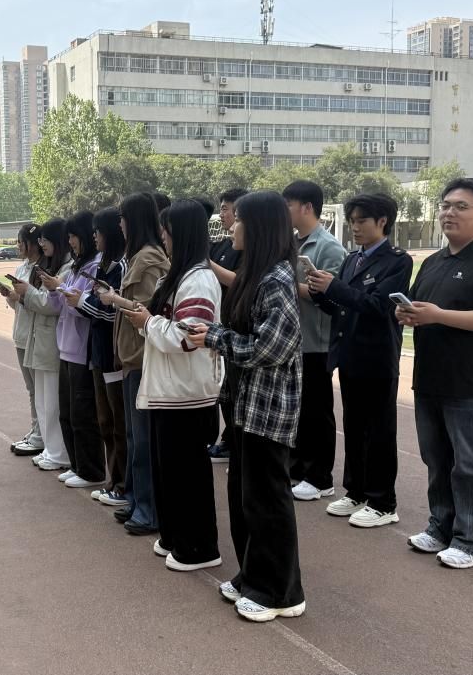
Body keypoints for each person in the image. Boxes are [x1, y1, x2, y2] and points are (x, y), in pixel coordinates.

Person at [188, 191, 306, 623]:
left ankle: (281, 593)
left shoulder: (276, 279)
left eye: (237, 220)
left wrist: (215, 337)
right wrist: (214, 331)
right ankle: (252, 575)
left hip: (267, 408)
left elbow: (272, 347)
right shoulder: (255, 275)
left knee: (268, 500)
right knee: (245, 497)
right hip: (244, 405)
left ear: (257, 228)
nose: (230, 226)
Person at [397, 177, 473, 569]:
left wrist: (438, 315)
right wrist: (408, 313)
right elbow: (422, 308)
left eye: (461, 206)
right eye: (446, 205)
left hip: (471, 383)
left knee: (471, 463)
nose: (450, 212)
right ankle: (442, 527)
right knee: (437, 459)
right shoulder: (433, 262)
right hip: (430, 377)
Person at [120, 199, 223, 571]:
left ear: (181, 233)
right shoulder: (179, 275)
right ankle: (176, 535)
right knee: (170, 471)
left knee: (188, 473)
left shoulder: (198, 279)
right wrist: (147, 320)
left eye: (166, 231)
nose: (162, 237)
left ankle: (199, 548)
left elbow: (188, 336)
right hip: (170, 389)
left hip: (188, 393)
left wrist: (147, 323)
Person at [307, 194, 413, 529]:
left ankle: (383, 501)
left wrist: (334, 287)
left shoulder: (398, 261)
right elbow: (342, 307)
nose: (355, 227)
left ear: (382, 222)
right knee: (353, 427)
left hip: (377, 356)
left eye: (361, 221)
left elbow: (379, 306)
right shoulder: (352, 258)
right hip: (350, 354)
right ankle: (356, 491)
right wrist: (321, 293)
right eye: (352, 221)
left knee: (379, 431)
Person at [94, 193, 169, 536]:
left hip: (142, 356)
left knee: (143, 439)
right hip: (130, 356)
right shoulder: (138, 256)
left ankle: (149, 509)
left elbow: (148, 309)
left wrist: (113, 299)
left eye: (123, 218)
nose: (120, 224)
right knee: (132, 435)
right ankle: (137, 499)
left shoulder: (150, 258)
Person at [283, 180, 346, 502]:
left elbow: (334, 298)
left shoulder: (328, 247)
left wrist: (288, 286)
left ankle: (320, 477)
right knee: (297, 409)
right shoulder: (292, 243)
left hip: (317, 341)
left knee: (317, 411)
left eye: (289, 206)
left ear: (307, 207)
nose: (286, 212)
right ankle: (298, 468)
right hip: (294, 338)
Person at [42, 210, 105, 489]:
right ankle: (77, 464)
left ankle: (91, 470)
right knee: (67, 412)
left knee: (83, 414)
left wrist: (62, 288)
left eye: (73, 237)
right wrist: (54, 289)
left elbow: (84, 307)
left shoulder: (95, 266)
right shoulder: (78, 266)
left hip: (81, 348)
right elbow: (59, 306)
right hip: (66, 346)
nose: (70, 242)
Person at [75, 207, 128, 507]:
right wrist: (86, 300)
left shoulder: (120, 266)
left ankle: (121, 484)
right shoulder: (104, 265)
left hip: (112, 353)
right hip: (98, 351)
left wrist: (81, 300)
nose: (95, 237)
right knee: (105, 421)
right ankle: (113, 480)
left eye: (98, 232)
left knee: (117, 422)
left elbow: (111, 313)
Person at [11, 219, 71, 472]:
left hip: (52, 342)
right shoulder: (50, 266)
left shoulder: (66, 268)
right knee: (43, 399)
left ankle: (57, 451)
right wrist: (20, 295)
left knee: (52, 400)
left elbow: (50, 304)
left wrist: (27, 293)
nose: (42, 243)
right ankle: (50, 448)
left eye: (45, 239)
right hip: (38, 337)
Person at [207, 188, 249, 463]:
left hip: (237, 335)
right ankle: (231, 441)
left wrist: (206, 263)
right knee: (228, 394)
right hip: (227, 329)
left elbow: (239, 281)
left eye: (227, 209)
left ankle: (238, 447)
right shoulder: (224, 245)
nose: (223, 216)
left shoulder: (268, 272)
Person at [7, 224, 44, 457]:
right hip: (20, 333)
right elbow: (18, 305)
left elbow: (39, 303)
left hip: (35, 335)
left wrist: (21, 297)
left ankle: (41, 435)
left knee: (39, 389)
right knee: (31, 389)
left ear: (32, 244)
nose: (18, 246)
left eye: (21, 242)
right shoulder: (20, 268)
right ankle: (35, 430)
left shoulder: (42, 270)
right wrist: (11, 297)